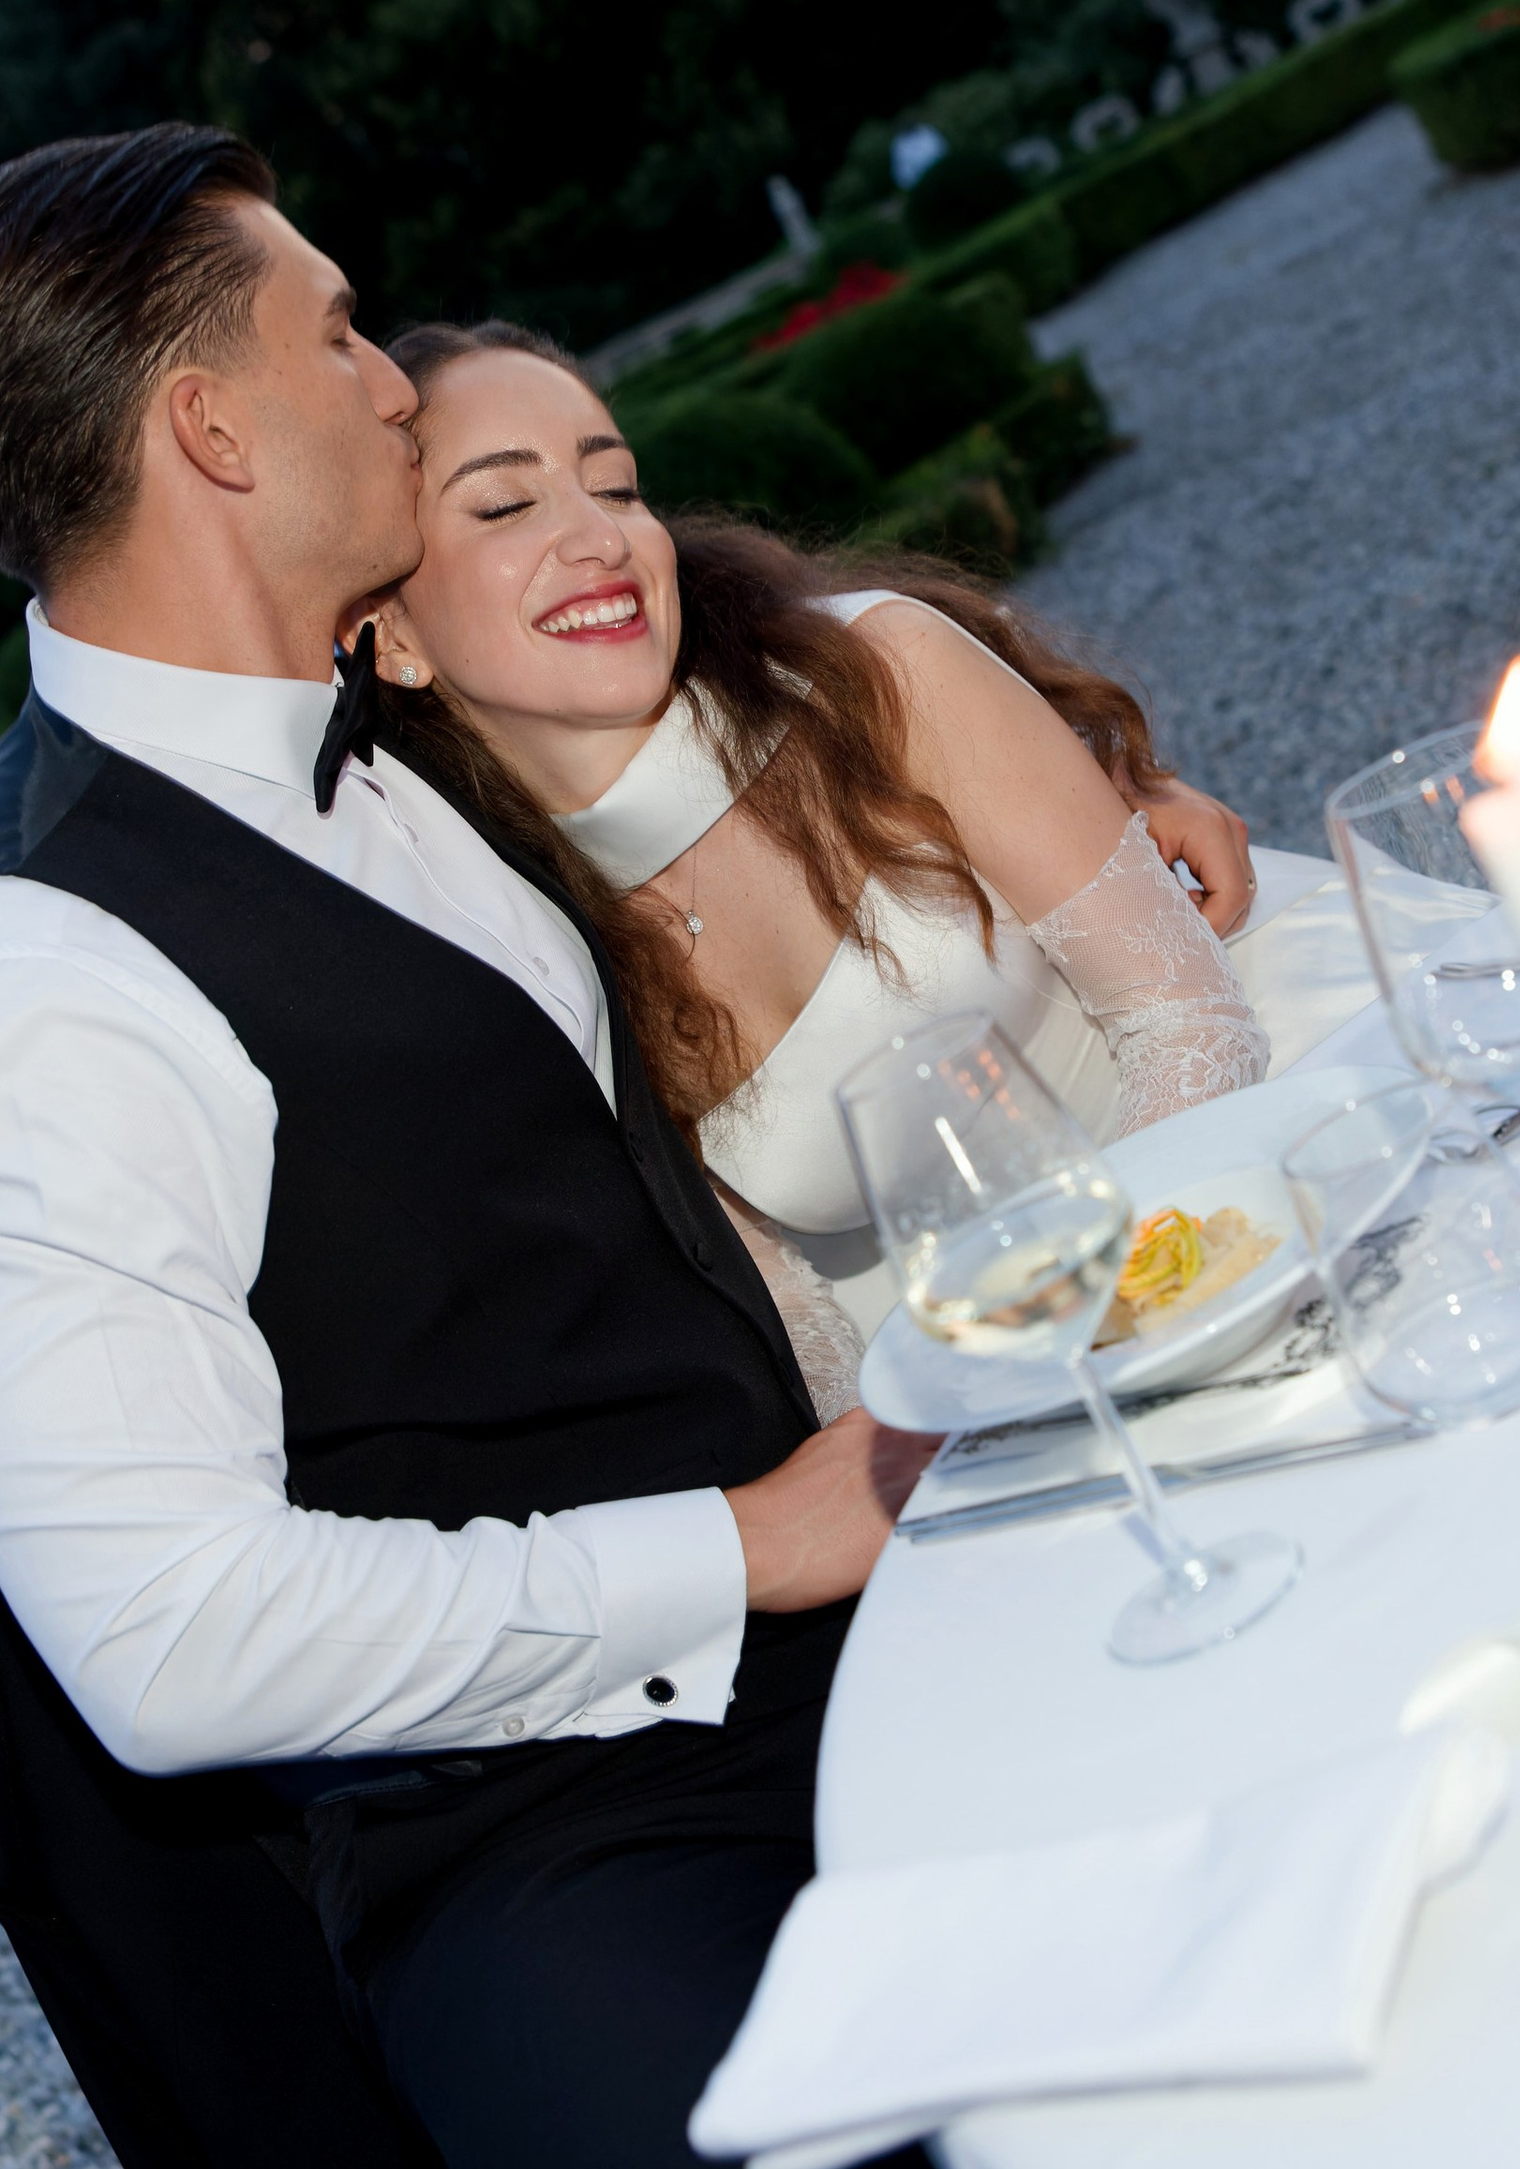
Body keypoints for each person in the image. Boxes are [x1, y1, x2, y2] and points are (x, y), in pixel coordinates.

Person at [0, 125, 1426, 2169]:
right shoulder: (15, 978)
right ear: (210, 426)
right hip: (537, 1821)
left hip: (892, 1574)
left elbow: (791, 816)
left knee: (1390, 1832)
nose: (385, 366)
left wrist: (1115, 816)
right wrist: (754, 1544)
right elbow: (169, 1635)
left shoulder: (414, 723)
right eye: (334, 337)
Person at [363, 318, 1272, 1412]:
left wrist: (1131, 1316)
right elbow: (791, 1324)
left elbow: (1187, 1021)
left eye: (616, 488)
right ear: (393, 639)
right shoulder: (532, 947)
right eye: (506, 505)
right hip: (1009, 1364)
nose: (602, 540)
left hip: (1237, 1163)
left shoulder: (878, 675)